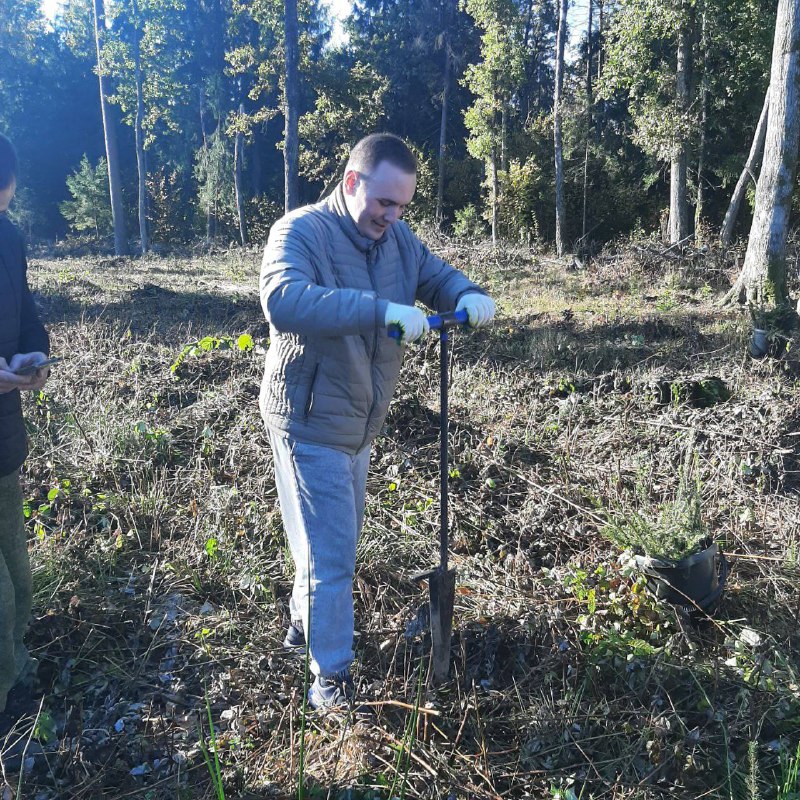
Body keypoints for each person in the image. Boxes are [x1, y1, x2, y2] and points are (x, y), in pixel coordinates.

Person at [259, 133, 495, 710]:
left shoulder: (397, 240)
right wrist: (378, 311)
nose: (391, 217)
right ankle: (330, 679)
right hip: (308, 418)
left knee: (326, 539)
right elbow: (283, 300)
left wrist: (465, 291)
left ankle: (301, 624)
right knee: (333, 553)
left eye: (402, 206)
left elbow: (434, 274)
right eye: (383, 203)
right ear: (351, 183)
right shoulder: (301, 231)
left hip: (360, 419)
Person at [0, 133, 51, 723]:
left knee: (16, 572)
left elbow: (28, 318)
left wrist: (32, 358)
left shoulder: (9, 241)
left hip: (2, 437)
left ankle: (13, 670)